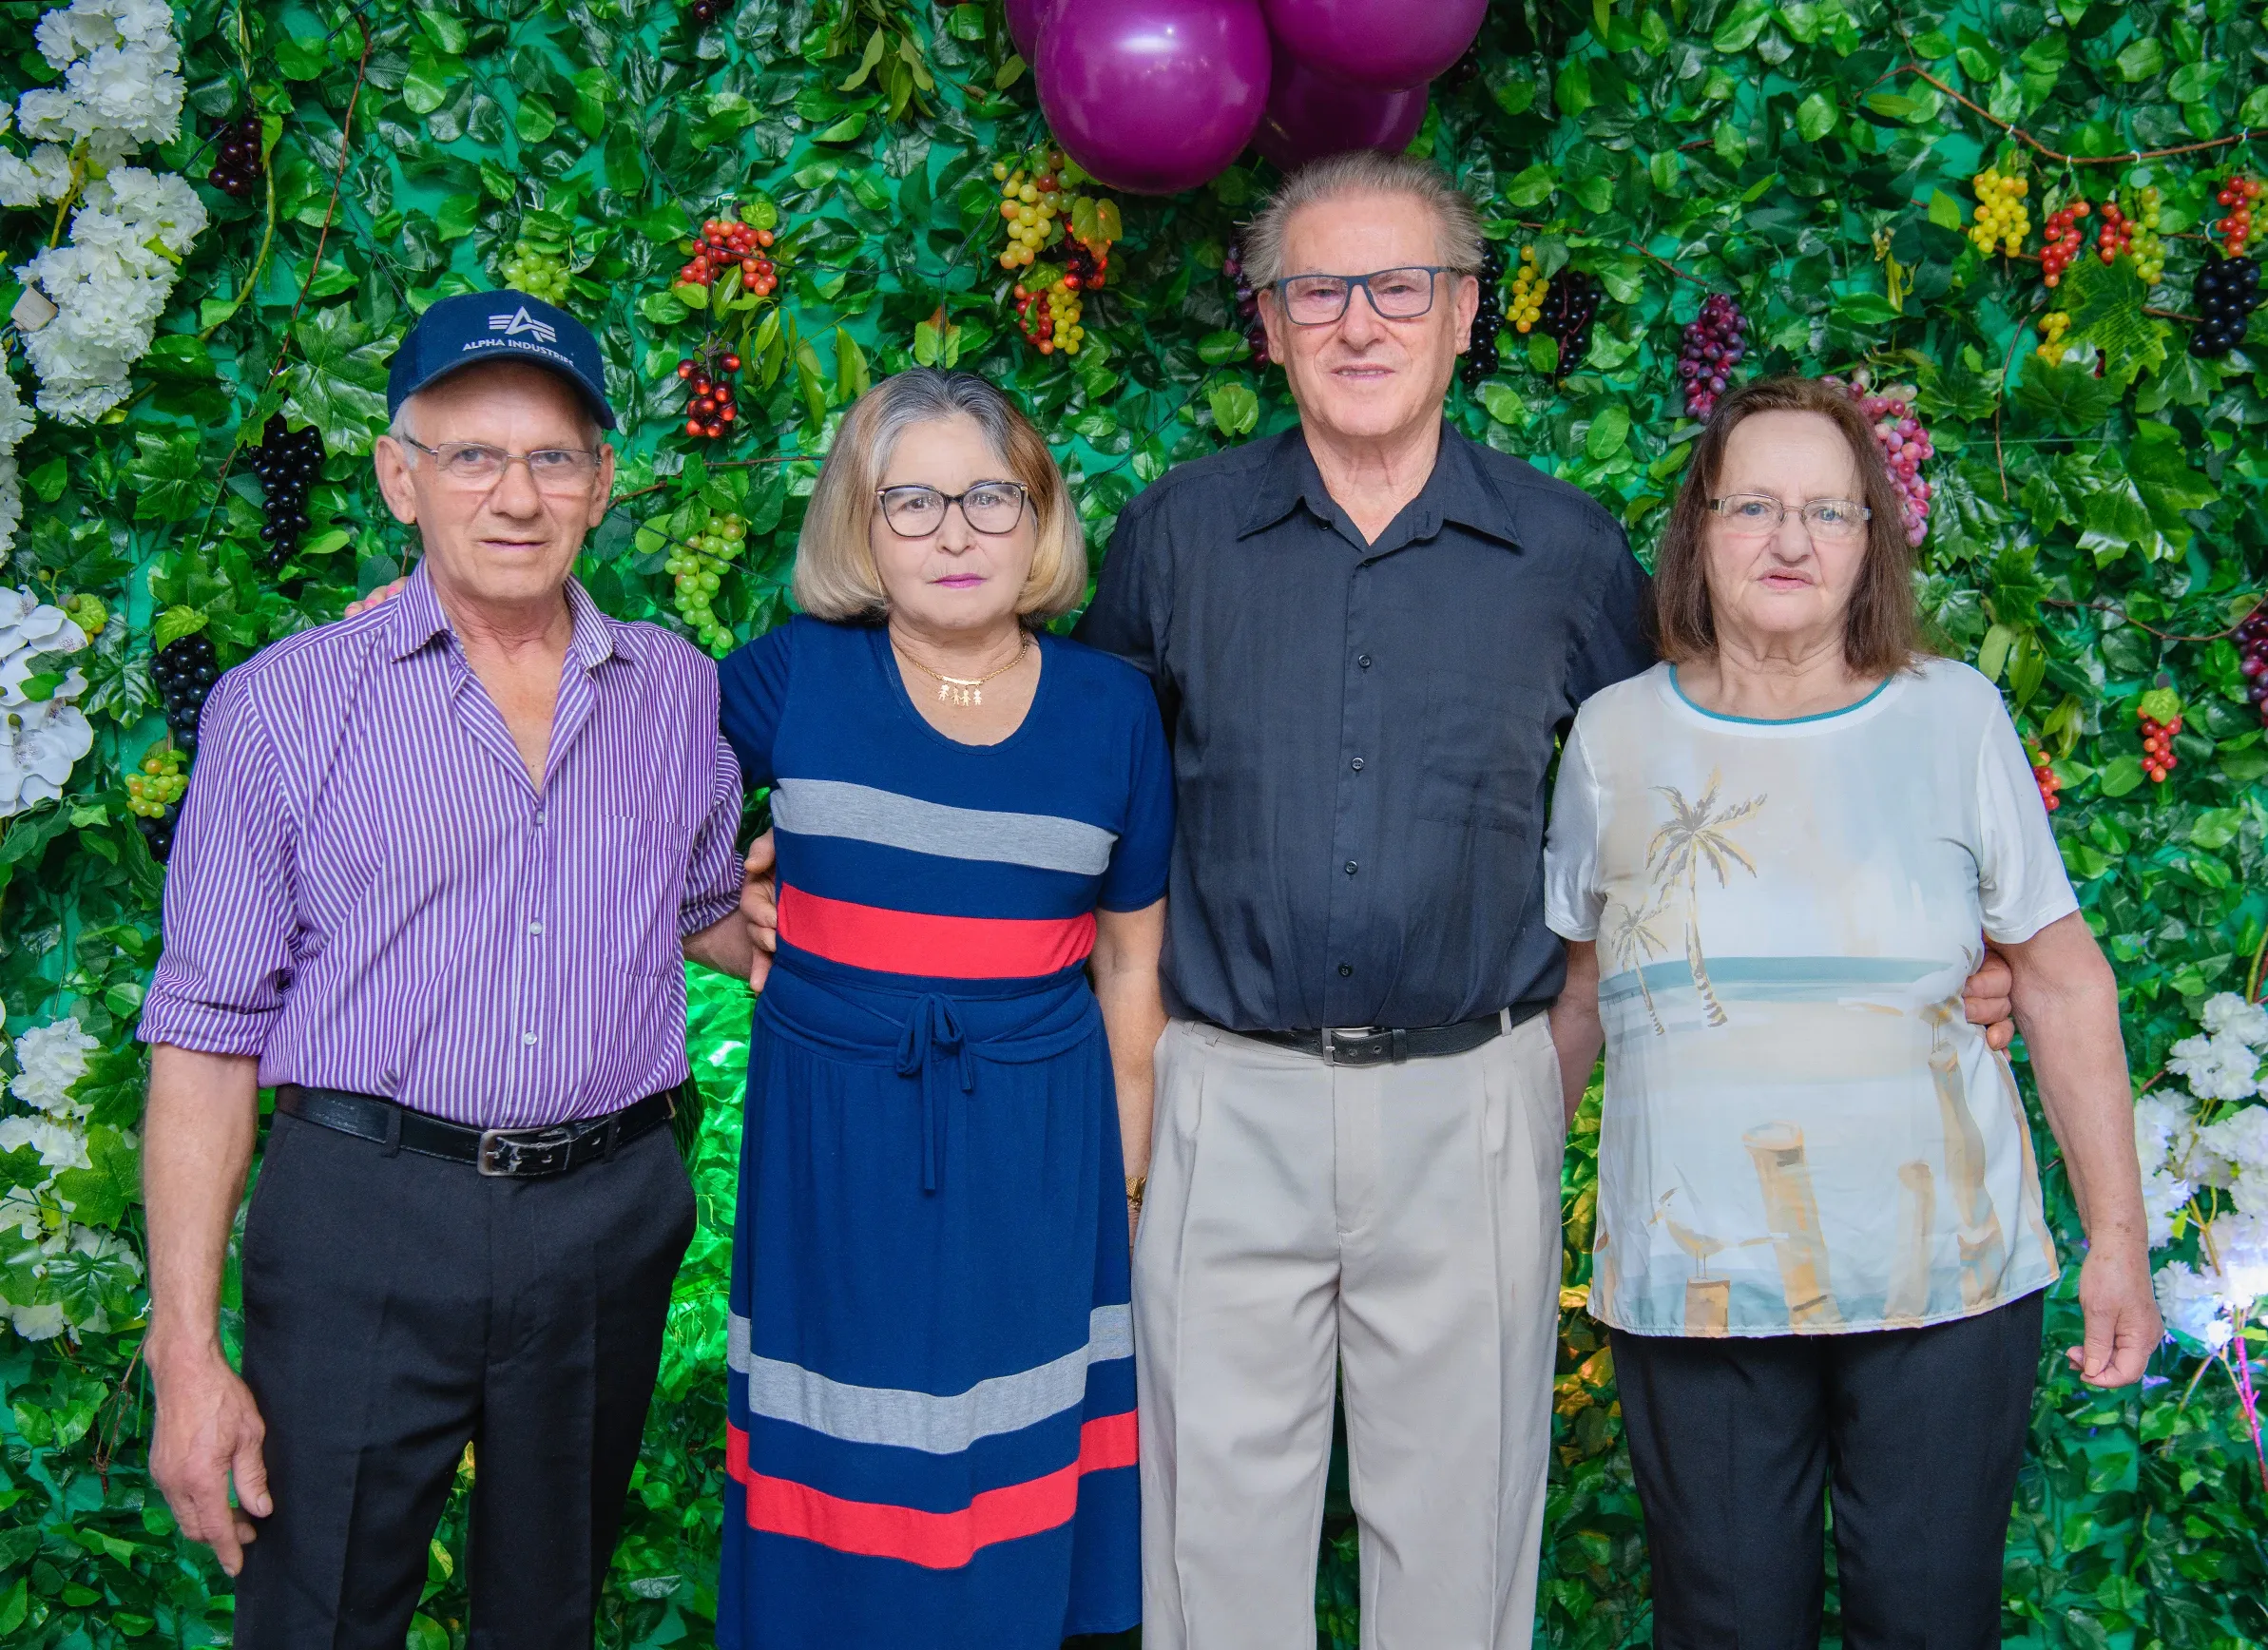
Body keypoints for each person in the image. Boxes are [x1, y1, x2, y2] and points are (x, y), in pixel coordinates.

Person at [735, 155, 2015, 1646]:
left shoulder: (1564, 553)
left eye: (1397, 285)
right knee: (1209, 1548)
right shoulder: (1172, 539)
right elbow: (1049, 752)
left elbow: (1687, 778)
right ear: (1268, 325)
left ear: (1463, 312)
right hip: (1220, 1091)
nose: (1359, 321)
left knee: (1461, 1545)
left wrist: (1932, 956)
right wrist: (791, 887)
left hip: (1472, 1089)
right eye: (1315, 290)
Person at [138, 291, 757, 1649]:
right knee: (321, 1610)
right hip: (364, 1212)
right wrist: (184, 1350)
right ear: (397, 476)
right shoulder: (284, 705)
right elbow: (203, 1032)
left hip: (606, 1220)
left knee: (546, 1614)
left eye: (550, 458)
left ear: (601, 483)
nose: (514, 495)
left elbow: (707, 906)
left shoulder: (673, 691)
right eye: (470, 455)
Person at [1542, 375, 2158, 1648]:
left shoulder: (1951, 715)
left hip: (1947, 1283)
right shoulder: (1610, 738)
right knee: (1722, 1631)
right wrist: (1502, 1240)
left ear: (1869, 540)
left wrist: (2117, 1240)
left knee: (1929, 1624)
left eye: (1826, 512)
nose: (1787, 541)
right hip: (1692, 1287)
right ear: (1697, 528)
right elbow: (1576, 1001)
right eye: (1752, 505)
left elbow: (2056, 974)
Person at [711, 368, 1167, 1649]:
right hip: (833, 1143)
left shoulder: (1110, 706)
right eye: (911, 501)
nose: (955, 532)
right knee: (841, 1473)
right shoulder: (788, 679)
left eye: (989, 496)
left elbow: (1131, 969)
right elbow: (609, 780)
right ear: (858, 524)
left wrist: (1120, 1192)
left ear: (1038, 520)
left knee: (1016, 1485)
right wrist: (718, 927)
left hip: (1039, 1148)